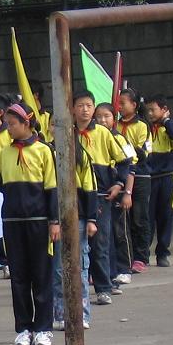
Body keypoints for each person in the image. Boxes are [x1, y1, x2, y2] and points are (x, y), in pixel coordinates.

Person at [0, 102, 59, 345]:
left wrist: (54, 221)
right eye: (9, 124)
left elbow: (52, 189)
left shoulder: (44, 151)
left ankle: (44, 327)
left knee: (42, 275)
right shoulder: (5, 152)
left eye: (13, 124)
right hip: (12, 223)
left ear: (27, 124)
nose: (9, 129)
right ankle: (23, 327)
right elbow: (3, 184)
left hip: (39, 222)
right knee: (19, 277)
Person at [73, 92, 128, 305]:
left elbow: (124, 160)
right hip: (76, 196)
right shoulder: (68, 134)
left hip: (101, 195)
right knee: (77, 243)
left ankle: (103, 286)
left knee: (101, 242)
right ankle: (78, 286)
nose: (85, 110)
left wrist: (119, 184)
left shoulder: (104, 133)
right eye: (80, 105)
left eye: (88, 105)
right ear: (73, 109)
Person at [51, 99, 100, 331]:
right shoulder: (45, 153)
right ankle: (60, 314)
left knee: (80, 265)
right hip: (55, 220)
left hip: (78, 218)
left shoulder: (79, 155)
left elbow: (90, 188)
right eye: (53, 126)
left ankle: (83, 314)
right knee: (59, 269)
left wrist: (91, 219)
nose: (56, 130)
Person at [96, 103, 136, 289]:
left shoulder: (120, 138)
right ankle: (107, 273)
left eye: (107, 116)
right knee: (104, 236)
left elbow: (131, 167)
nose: (103, 120)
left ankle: (124, 269)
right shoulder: (93, 136)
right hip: (103, 193)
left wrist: (126, 192)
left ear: (114, 118)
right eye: (100, 116)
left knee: (120, 232)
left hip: (119, 190)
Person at [143, 94, 173, 267]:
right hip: (149, 177)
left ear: (164, 110)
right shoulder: (145, 127)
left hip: (167, 177)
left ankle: (162, 253)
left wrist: (166, 121)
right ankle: (143, 253)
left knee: (165, 216)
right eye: (148, 110)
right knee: (147, 217)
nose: (150, 113)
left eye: (153, 110)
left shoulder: (171, 126)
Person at [115, 88, 151, 273]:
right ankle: (125, 257)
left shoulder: (142, 126)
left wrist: (126, 148)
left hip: (140, 175)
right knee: (123, 220)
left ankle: (141, 256)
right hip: (122, 173)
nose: (119, 107)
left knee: (139, 217)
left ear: (134, 105)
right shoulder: (115, 125)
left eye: (123, 103)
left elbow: (144, 153)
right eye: (118, 103)